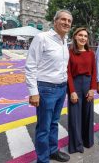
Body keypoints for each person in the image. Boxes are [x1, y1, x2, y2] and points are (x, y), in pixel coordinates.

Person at [25, 10, 72, 163]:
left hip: (61, 88)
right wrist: (33, 92)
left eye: (69, 21)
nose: (66, 23)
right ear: (55, 21)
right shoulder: (42, 38)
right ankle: (43, 159)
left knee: (54, 123)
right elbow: (31, 65)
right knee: (43, 127)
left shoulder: (65, 41)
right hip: (46, 89)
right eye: (63, 19)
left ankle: (52, 151)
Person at [67, 27, 96, 154]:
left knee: (88, 114)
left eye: (85, 36)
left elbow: (95, 72)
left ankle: (87, 141)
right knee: (75, 116)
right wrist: (72, 91)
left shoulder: (91, 53)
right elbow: (67, 73)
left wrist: (92, 89)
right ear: (75, 37)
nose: (83, 38)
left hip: (88, 85)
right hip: (75, 84)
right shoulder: (69, 52)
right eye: (80, 35)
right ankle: (76, 145)